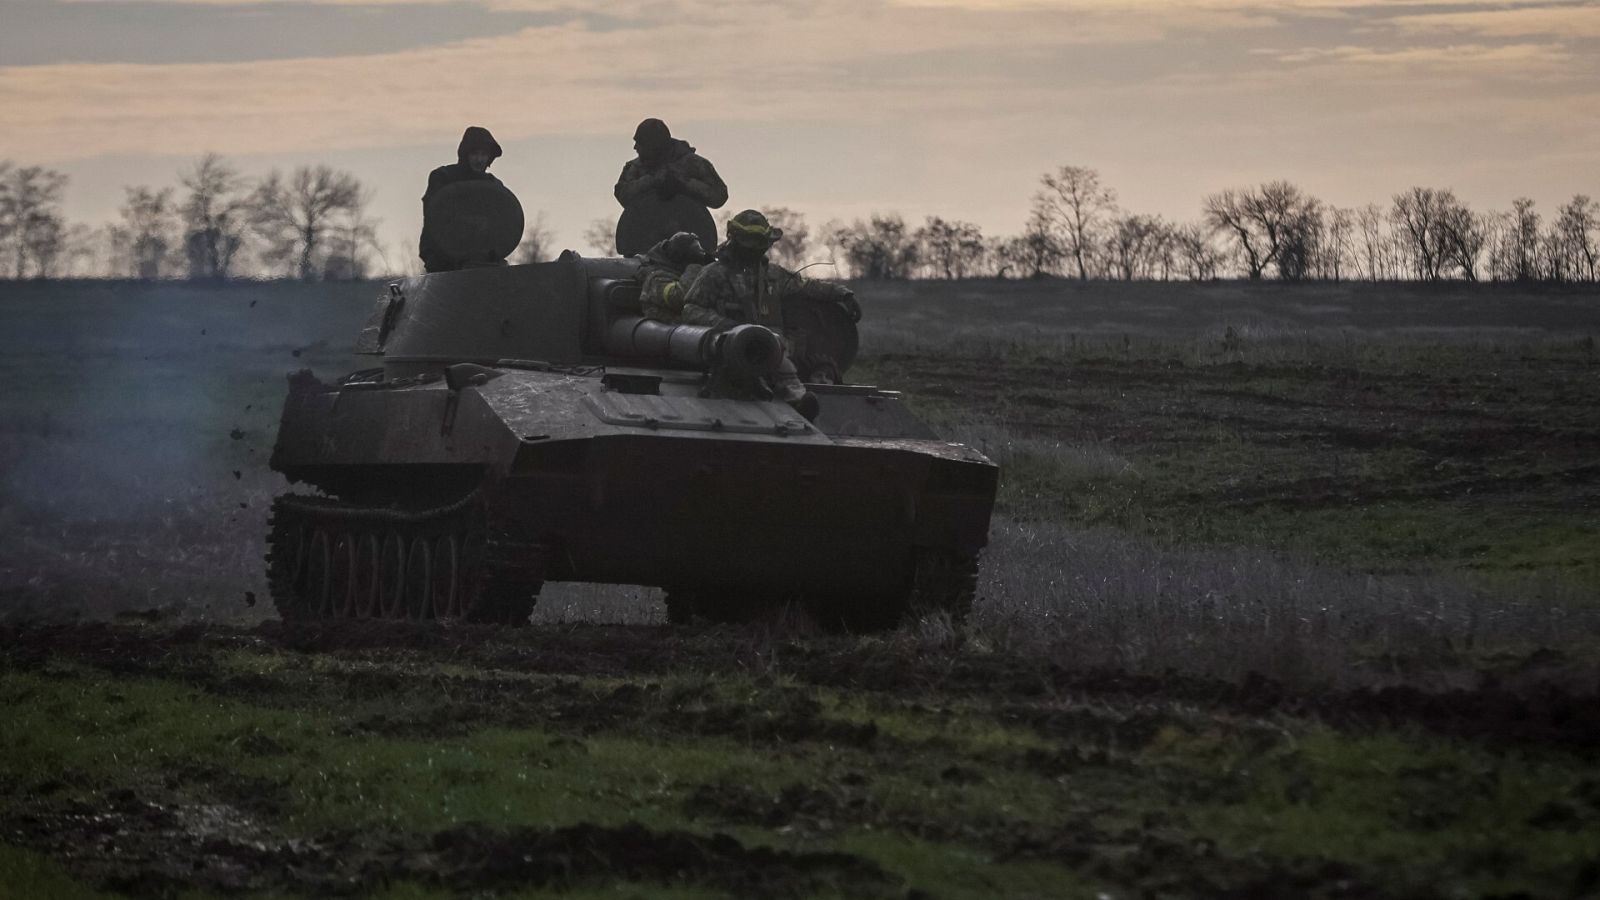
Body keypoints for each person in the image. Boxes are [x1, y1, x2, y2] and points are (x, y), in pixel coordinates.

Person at [681, 209, 858, 412]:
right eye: (750, 243)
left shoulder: (773, 276)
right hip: (725, 347)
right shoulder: (714, 274)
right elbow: (691, 309)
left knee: (780, 361)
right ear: (735, 241)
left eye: (759, 244)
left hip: (771, 348)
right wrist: (726, 325)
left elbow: (807, 286)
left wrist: (843, 294)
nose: (754, 250)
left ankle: (798, 400)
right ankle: (791, 395)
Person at [612, 119, 727, 254]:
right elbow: (623, 195)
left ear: (654, 146)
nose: (635, 147)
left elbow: (719, 195)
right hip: (644, 248)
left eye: (641, 143)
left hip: (691, 251)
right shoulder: (635, 168)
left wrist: (683, 184)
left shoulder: (692, 164)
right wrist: (652, 181)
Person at [419, 126, 503, 272]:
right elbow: (435, 215)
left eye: (484, 154)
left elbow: (502, 221)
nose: (479, 159)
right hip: (443, 256)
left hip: (483, 258)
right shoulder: (443, 178)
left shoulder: (493, 187)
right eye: (475, 154)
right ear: (466, 154)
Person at [637, 231, 712, 323]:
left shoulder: (682, 272)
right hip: (666, 329)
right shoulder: (656, 278)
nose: (702, 253)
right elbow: (678, 299)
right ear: (680, 256)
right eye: (696, 251)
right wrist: (694, 267)